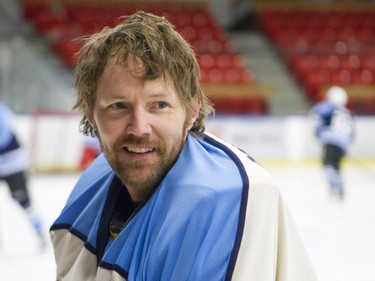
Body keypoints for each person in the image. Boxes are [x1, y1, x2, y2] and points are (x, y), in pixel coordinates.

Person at [50, 11, 318, 281]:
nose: (139, 127)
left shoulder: (227, 201)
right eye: (118, 106)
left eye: (160, 105)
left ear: (191, 112)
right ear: (90, 113)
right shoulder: (92, 187)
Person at [0, 101, 46, 248]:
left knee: (24, 202)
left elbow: (4, 136)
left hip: (12, 164)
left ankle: (39, 232)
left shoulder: (1, 110)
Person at [311, 86, 355, 199]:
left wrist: (319, 134)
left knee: (329, 166)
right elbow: (352, 133)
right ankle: (340, 188)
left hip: (331, 141)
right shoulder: (347, 113)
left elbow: (317, 117)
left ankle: (335, 187)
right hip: (343, 144)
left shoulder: (327, 108)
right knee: (336, 167)